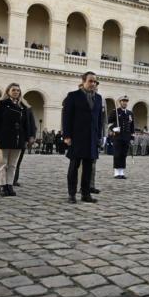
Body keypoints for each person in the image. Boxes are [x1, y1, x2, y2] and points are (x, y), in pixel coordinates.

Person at [62, 72, 102, 203]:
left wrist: (99, 136)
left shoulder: (99, 98)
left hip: (92, 138)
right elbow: (67, 117)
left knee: (88, 168)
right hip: (77, 137)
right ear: (84, 81)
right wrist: (67, 135)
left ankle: (86, 194)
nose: (93, 84)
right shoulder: (73, 96)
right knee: (74, 166)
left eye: (95, 82)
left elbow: (99, 120)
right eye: (91, 81)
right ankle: (71, 194)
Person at [0, 83, 35, 196]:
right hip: (4, 137)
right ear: (8, 91)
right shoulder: (1, 104)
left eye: (18, 90)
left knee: (13, 164)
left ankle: (9, 185)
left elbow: (28, 123)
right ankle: (2, 185)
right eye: (13, 90)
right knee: (2, 163)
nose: (16, 92)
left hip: (18, 138)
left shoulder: (24, 106)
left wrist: (29, 136)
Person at [108, 95, 134, 179]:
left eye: (126, 101)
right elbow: (109, 123)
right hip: (118, 137)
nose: (125, 103)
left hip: (126, 137)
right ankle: (116, 172)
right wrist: (114, 128)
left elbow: (132, 126)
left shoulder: (130, 113)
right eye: (123, 101)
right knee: (117, 154)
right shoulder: (115, 111)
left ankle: (122, 172)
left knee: (123, 154)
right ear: (120, 102)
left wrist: (132, 137)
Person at [12, 104, 37, 188]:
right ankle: (5, 180)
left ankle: (14, 179)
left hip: (22, 138)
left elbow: (32, 124)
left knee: (18, 161)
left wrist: (31, 136)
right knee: (5, 162)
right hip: (8, 137)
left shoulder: (27, 109)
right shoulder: (4, 104)